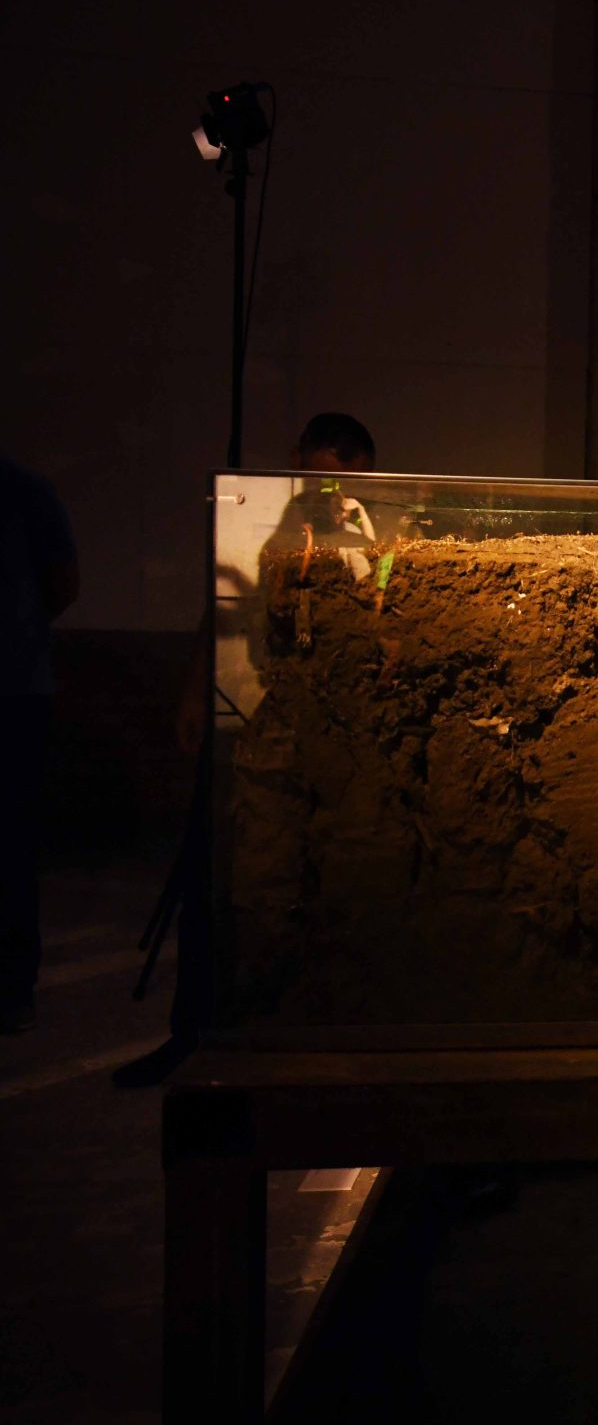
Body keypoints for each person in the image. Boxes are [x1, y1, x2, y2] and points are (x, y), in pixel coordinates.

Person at [117, 413, 377, 1085]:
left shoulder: (368, 530)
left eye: (342, 482)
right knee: (217, 879)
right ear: (298, 460)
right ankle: (198, 1035)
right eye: (319, 477)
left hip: (323, 733)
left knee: (306, 887)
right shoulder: (258, 516)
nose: (329, 493)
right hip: (252, 718)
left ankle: (292, 1033)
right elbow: (225, 600)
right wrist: (195, 692)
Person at [1, 459, 79, 1034]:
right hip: (18, 683)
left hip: (16, 687)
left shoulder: (23, 490)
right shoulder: (24, 489)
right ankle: (12, 986)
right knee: (12, 840)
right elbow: (62, 585)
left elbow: (62, 585)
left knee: (11, 839)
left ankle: (12, 984)